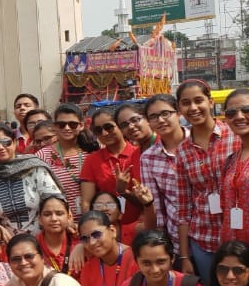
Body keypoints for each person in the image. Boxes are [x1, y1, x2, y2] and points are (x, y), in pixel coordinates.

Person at [175, 80, 237, 283]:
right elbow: (184, 207)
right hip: (203, 240)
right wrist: (185, 256)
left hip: (240, 236)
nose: (193, 108)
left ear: (210, 102)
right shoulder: (183, 150)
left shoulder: (235, 135)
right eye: (186, 103)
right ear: (180, 109)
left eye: (198, 100)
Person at [0, 123, 63, 235]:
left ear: (15, 143)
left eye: (6, 142)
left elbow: (56, 200)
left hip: (43, 238)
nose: (1, 147)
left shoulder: (34, 167)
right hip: (8, 243)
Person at [79, 107, 149, 235]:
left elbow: (149, 199)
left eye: (109, 127)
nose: (104, 133)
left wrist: (124, 192)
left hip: (141, 227)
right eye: (98, 130)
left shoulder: (140, 154)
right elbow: (87, 202)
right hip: (107, 231)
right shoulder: (92, 160)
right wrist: (91, 229)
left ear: (121, 127)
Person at [218, 89, 249, 251]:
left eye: (246, 110)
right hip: (233, 250)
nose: (239, 116)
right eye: (231, 113)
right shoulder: (231, 160)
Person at [140, 93, 187, 245]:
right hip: (177, 238)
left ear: (178, 113)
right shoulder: (148, 158)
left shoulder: (198, 142)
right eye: (153, 117)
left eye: (165, 113)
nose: (160, 120)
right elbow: (157, 207)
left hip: (213, 231)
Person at [75, 210, 137, 286]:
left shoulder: (135, 259)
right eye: (85, 239)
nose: (92, 242)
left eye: (96, 234)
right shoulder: (88, 269)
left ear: (112, 231)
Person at [35, 103, 94, 219]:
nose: (67, 128)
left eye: (72, 124)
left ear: (81, 125)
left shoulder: (91, 152)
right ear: (54, 126)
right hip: (58, 222)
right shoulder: (43, 156)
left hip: (92, 221)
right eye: (61, 124)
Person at [35, 194, 76, 275]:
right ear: (40, 219)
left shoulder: (80, 243)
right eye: (47, 214)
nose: (54, 219)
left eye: (59, 213)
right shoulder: (32, 246)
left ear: (69, 217)